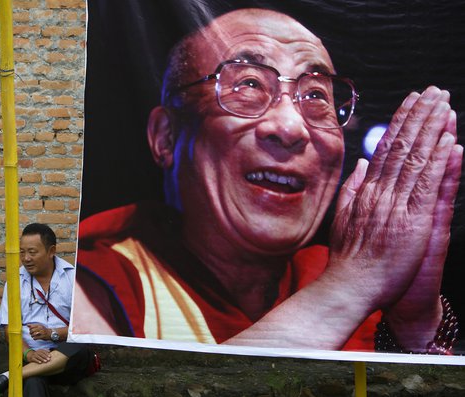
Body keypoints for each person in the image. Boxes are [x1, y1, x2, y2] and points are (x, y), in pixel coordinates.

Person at [72, 8, 462, 353]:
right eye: (248, 85)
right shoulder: (88, 284)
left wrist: (413, 318)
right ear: (166, 137)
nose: (291, 128)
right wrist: (351, 285)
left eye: (315, 96)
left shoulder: (339, 273)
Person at [0, 223, 94, 397]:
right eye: (22, 252)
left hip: (68, 357)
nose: (26, 258)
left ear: (52, 251)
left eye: (32, 252)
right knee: (33, 381)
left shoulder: (73, 278)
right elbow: (8, 329)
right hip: (34, 359)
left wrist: (52, 334)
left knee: (80, 345)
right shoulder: (15, 282)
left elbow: (85, 327)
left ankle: (9, 376)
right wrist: (27, 354)